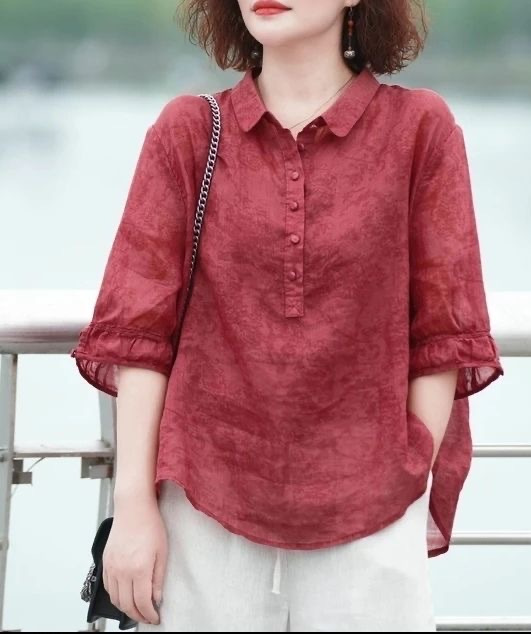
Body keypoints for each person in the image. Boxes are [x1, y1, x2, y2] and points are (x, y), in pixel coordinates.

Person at [70, 0, 505, 631]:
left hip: (372, 514)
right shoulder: (189, 131)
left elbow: (444, 329)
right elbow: (140, 334)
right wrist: (134, 505)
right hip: (201, 509)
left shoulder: (419, 129)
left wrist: (408, 461)